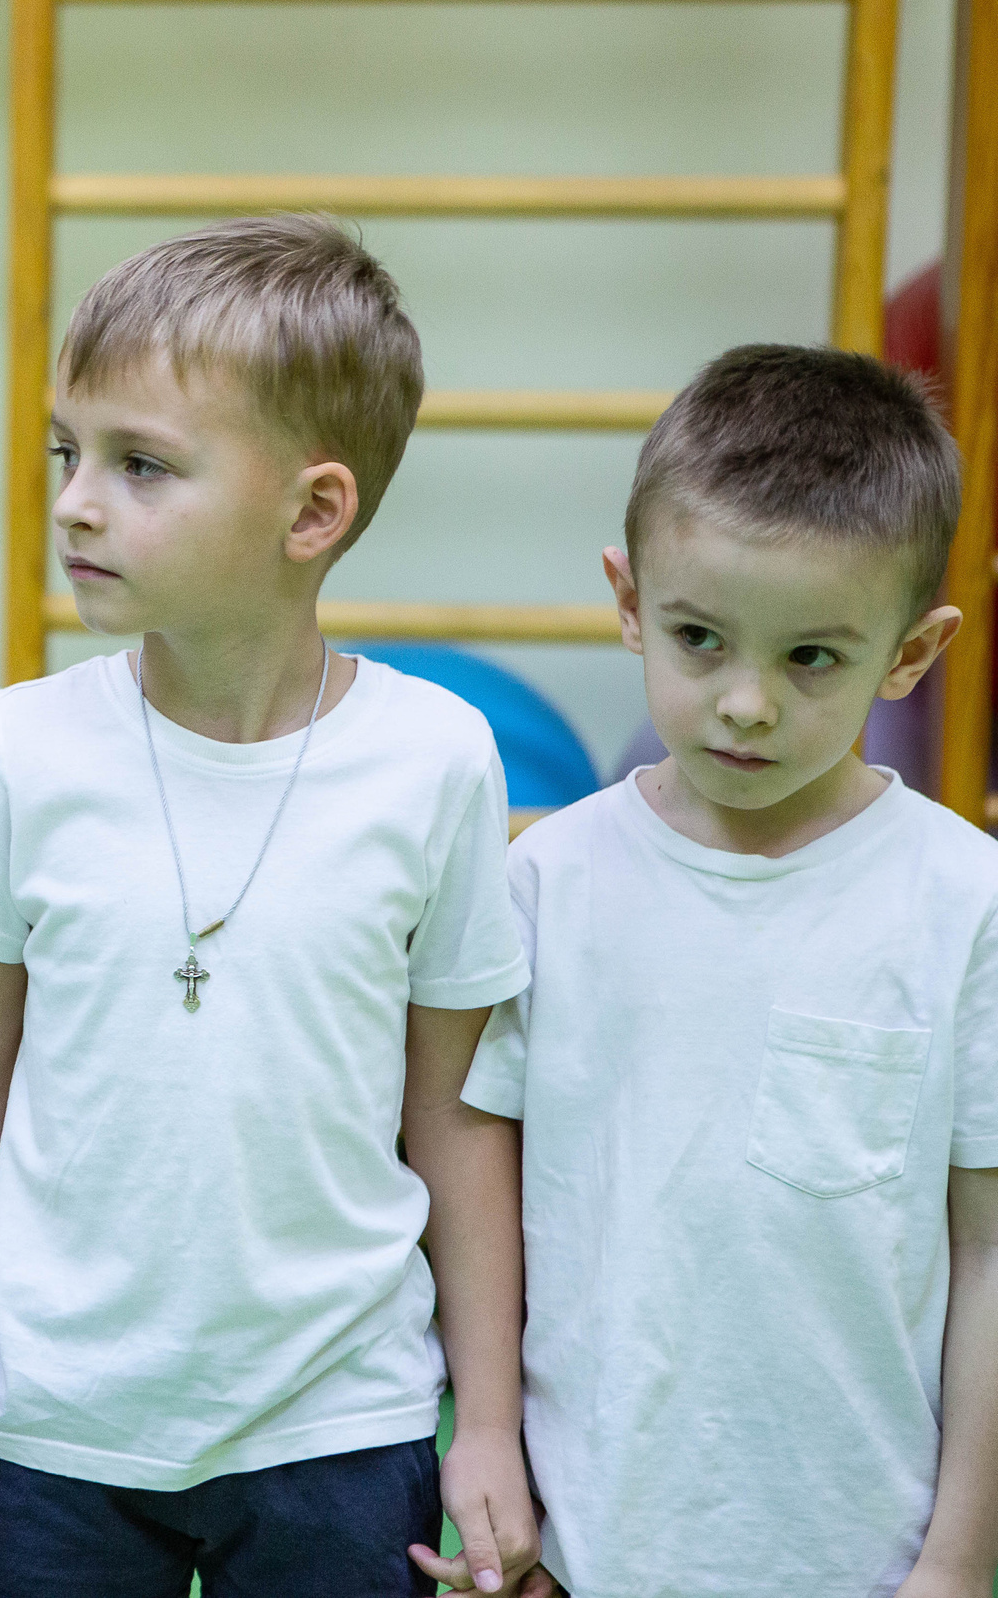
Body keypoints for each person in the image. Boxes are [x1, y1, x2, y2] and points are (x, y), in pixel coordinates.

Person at [0, 214, 543, 1597]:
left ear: (313, 511)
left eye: (140, 464)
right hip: (57, 1425)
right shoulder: (16, 749)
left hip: (340, 1422)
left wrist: (488, 1422)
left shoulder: (437, 758)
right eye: (66, 452)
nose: (77, 500)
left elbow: (453, 1114)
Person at [462, 345, 998, 1598]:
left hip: (863, 1563)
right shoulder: (548, 883)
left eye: (811, 658)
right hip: (586, 1557)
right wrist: (502, 1479)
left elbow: (987, 1251)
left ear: (910, 655)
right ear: (628, 598)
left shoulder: (964, 900)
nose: (744, 704)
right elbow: (483, 1209)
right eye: (699, 639)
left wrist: (959, 1561)